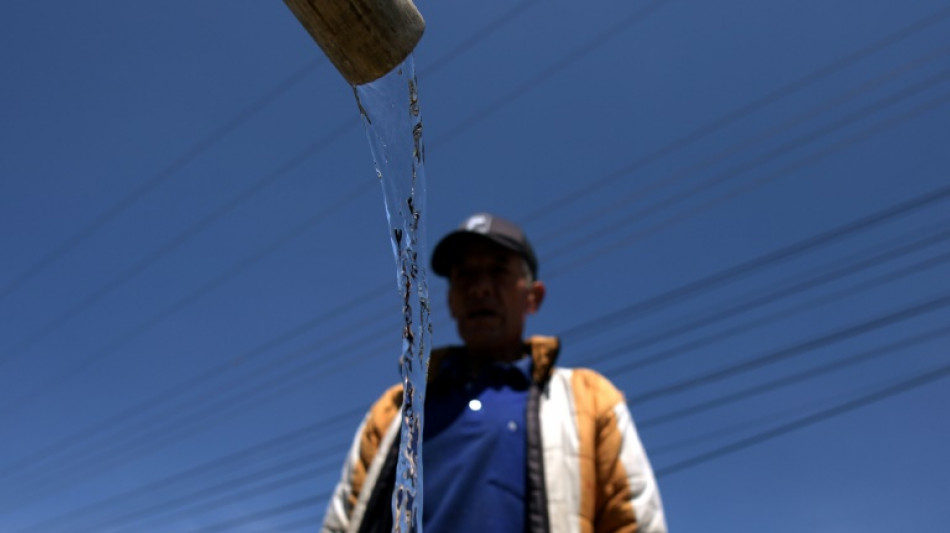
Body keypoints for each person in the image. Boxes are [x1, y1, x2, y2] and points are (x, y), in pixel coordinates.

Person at [321, 213, 667, 533]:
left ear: (533, 297)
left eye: (499, 271)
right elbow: (343, 521)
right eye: (465, 275)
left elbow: (634, 522)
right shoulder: (395, 409)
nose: (480, 288)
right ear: (451, 300)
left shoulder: (591, 400)